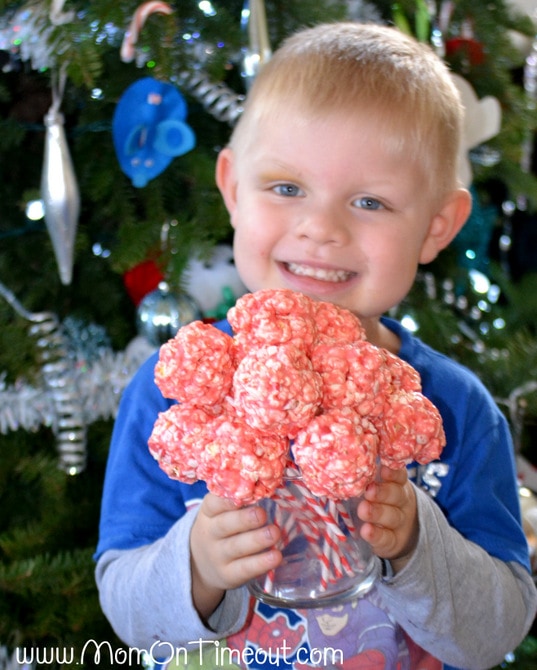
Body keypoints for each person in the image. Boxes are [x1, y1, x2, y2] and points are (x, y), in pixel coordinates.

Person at [95, 22, 537, 669]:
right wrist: (195, 563)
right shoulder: (175, 391)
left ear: (436, 226)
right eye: (286, 188)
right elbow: (128, 612)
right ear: (232, 188)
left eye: (368, 201)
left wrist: (416, 544)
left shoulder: (452, 408)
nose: (320, 229)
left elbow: (494, 632)